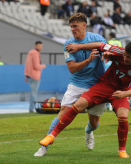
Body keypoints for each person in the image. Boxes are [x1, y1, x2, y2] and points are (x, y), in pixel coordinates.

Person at [39, 41, 131, 159]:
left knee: (123, 115)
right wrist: (79, 46)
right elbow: (100, 44)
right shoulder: (119, 51)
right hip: (104, 86)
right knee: (79, 104)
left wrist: (124, 93)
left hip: (121, 91)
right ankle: (52, 136)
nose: (125, 58)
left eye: (129, 57)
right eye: (125, 55)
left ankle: (122, 150)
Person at [34, 13, 107, 157]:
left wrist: (81, 48)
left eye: (75, 26)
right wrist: (88, 60)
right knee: (63, 114)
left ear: (84, 25)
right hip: (77, 83)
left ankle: (88, 131)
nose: (73, 29)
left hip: (97, 85)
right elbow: (72, 68)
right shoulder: (68, 44)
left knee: (95, 123)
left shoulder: (97, 38)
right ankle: (44, 146)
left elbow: (105, 47)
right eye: (71, 27)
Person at [24, 41, 46, 113]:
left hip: (29, 75)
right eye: (39, 46)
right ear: (35, 46)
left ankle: (31, 108)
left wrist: (26, 75)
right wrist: (43, 66)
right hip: (35, 76)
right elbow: (37, 66)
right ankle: (31, 109)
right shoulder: (36, 54)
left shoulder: (30, 53)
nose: (40, 47)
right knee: (34, 93)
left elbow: (27, 65)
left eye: (41, 46)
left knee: (32, 93)